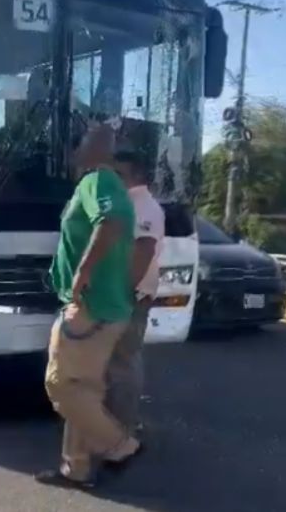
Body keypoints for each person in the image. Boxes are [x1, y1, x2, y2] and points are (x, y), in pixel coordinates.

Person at [36, 124, 142, 489]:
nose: (72, 154)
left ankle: (121, 446)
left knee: (60, 386)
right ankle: (77, 469)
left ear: (89, 150)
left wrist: (81, 274)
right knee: (84, 389)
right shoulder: (113, 185)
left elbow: (109, 222)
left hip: (90, 305)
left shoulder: (96, 180)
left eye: (77, 145)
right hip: (104, 305)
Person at [105, 147, 165, 440]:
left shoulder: (144, 207)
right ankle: (114, 422)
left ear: (137, 176)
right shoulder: (124, 203)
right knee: (114, 362)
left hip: (131, 296)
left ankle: (125, 427)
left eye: (118, 174)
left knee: (124, 363)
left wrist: (123, 292)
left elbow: (143, 252)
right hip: (122, 294)